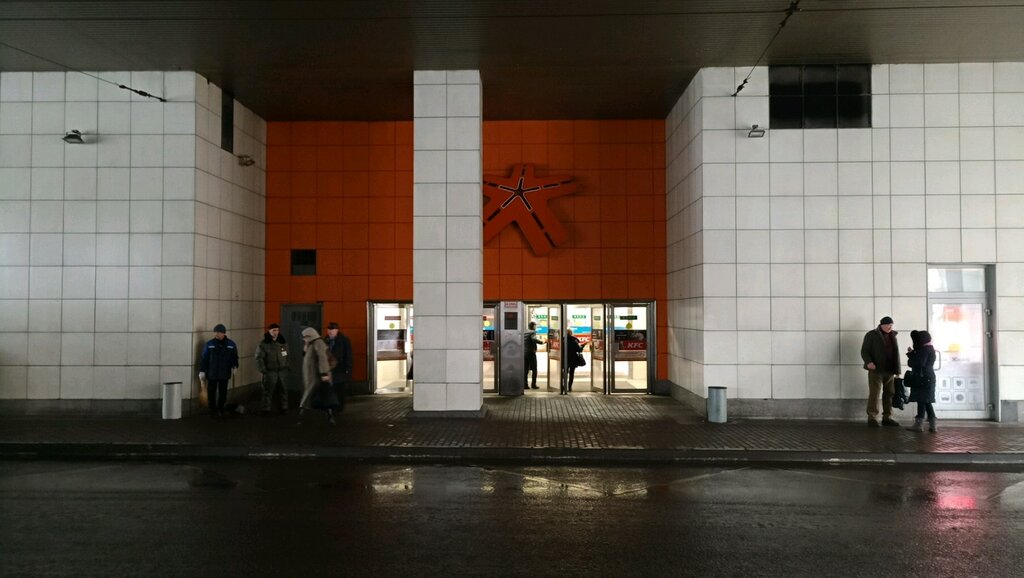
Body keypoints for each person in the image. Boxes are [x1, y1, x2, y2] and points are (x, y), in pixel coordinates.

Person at [860, 316, 901, 427]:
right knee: (875, 393)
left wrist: (897, 370)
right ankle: (872, 417)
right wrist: (869, 362)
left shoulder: (893, 335)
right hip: (876, 370)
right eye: (888, 325)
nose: (890, 327)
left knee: (889, 393)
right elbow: (864, 351)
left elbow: (896, 354)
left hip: (890, 370)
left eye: (891, 325)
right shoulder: (871, 335)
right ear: (881, 325)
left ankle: (887, 417)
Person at [198, 323, 238, 418]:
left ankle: (221, 408)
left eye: (219, 332)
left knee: (223, 392)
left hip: (224, 373)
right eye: (215, 332)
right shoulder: (209, 344)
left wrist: (235, 366)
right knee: (211, 392)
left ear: (224, 333)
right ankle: (212, 409)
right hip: (212, 373)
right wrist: (202, 370)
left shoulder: (231, 344)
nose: (216, 334)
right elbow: (204, 358)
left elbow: (234, 357)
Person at [298, 327, 336, 425]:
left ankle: (303, 415)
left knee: (321, 394)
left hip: (317, 375)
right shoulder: (310, 344)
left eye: (306, 336)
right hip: (313, 375)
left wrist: (324, 373)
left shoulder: (318, 343)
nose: (304, 338)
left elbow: (322, 358)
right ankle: (327, 415)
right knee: (321, 395)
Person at [906, 330, 938, 433]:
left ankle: (919, 425)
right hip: (927, 377)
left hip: (923, 378)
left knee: (921, 400)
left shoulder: (924, 350)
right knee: (926, 401)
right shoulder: (929, 348)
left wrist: (911, 354)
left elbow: (918, 363)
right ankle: (933, 425)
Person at [255, 322, 289, 415]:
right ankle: (266, 409)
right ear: (269, 331)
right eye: (274, 330)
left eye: (277, 330)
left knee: (283, 390)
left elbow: (286, 355)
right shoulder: (264, 344)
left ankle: (284, 407)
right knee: (268, 391)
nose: (276, 332)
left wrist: (286, 365)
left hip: (281, 371)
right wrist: (263, 369)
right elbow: (259, 358)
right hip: (270, 371)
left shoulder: (282, 342)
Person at [325, 322, 353, 411]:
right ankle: (332, 406)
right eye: (329, 329)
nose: (330, 331)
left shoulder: (344, 340)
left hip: (340, 369)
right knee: (330, 389)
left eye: (332, 329)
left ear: (337, 330)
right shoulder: (325, 340)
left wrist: (348, 369)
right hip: (329, 370)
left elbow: (348, 356)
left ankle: (339, 407)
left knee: (339, 389)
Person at [562, 329, 583, 395]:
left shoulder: (562, 340)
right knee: (571, 373)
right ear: (571, 333)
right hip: (573, 359)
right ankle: (569, 387)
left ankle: (563, 386)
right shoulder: (574, 340)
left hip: (565, 358)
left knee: (565, 372)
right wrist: (582, 346)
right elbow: (579, 350)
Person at [524, 322, 543, 390]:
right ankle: (533, 384)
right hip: (531, 353)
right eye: (535, 326)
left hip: (524, 353)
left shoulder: (525, 331)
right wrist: (542, 342)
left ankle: (525, 385)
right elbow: (534, 339)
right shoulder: (532, 332)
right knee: (534, 369)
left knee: (525, 369)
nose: (536, 327)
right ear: (533, 326)